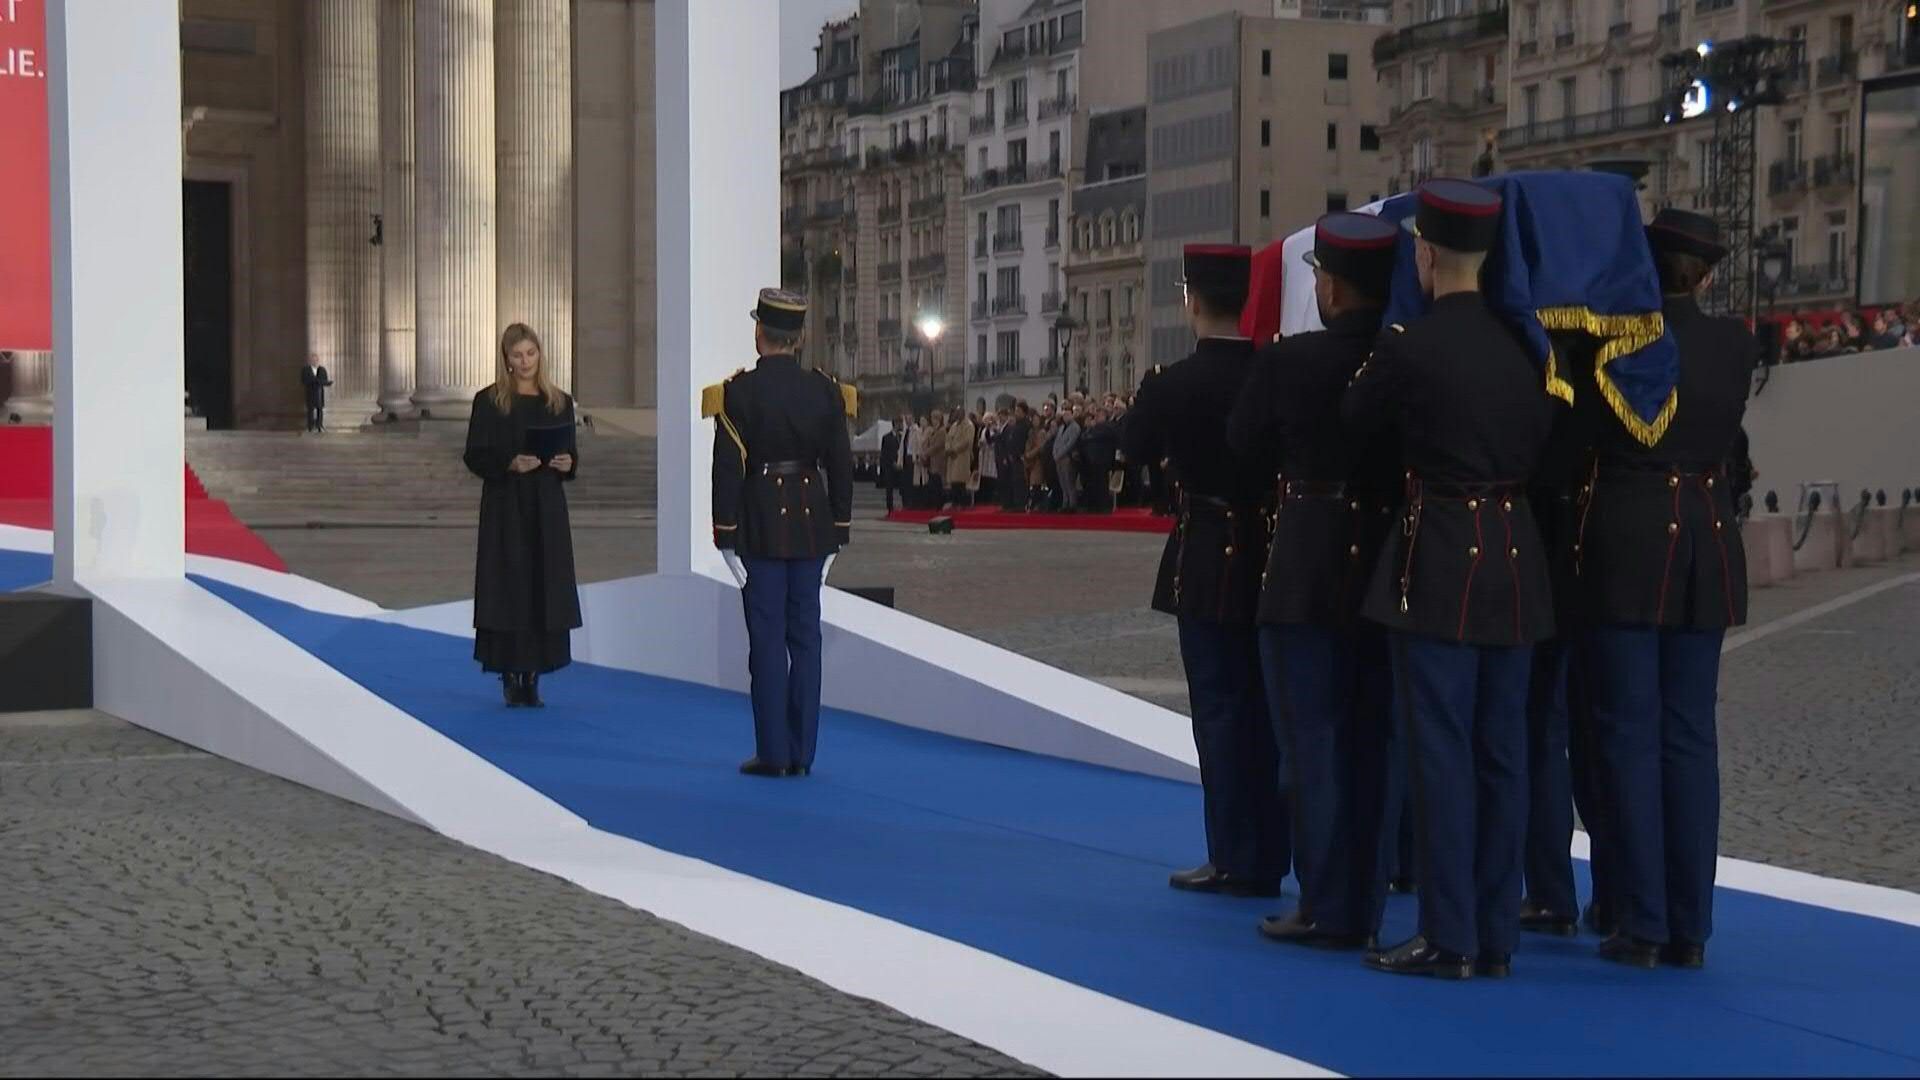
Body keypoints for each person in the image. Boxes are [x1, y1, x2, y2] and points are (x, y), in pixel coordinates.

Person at [1343, 179, 1556, 980]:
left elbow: (1357, 418)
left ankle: (1449, 933)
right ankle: (1495, 933)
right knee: (1504, 754)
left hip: (1437, 554)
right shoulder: (1525, 348)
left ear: (1425, 254)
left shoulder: (1410, 344)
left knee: (1440, 751)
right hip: (1515, 554)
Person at [1579, 210, 1756, 969]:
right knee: (1690, 740)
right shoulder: (1735, 345)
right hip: (1708, 545)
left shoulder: (1615, 345)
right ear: (1708, 274)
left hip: (1630, 541)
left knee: (1628, 736)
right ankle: (1691, 924)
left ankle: (1642, 920)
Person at [1227, 212, 1401, 950]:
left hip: (1302, 558)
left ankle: (1323, 900)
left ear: (1328, 285)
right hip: (1385, 561)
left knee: (1309, 742)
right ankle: (1366, 899)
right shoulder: (1401, 360)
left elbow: (1241, 445)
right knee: (1373, 740)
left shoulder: (1288, 362)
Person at [1125, 244, 1289, 898]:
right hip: (1272, 549)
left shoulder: (1171, 383)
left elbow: (1133, 447)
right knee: (1267, 710)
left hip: (1205, 548)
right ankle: (1272, 853)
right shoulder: (1271, 372)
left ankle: (1231, 855)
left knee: (1218, 713)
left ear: (1192, 299)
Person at [704, 288, 855, 779]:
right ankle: (803, 753)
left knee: (767, 641)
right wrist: (839, 529)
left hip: (762, 520)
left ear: (758, 333)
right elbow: (841, 466)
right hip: (812, 520)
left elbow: (728, 468)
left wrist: (725, 534)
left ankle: (773, 752)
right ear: (801, 337)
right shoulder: (827, 390)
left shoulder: (738, 392)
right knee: (806, 639)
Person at [463, 324, 581, 708]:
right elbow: (475, 455)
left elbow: (570, 453)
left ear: (540, 355)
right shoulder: (489, 401)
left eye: (531, 353)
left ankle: (535, 674)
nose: (525, 362)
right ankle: (510, 672)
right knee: (509, 584)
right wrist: (509, 462)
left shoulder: (558, 401)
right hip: (506, 506)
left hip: (546, 505)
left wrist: (567, 462)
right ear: (506, 359)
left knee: (542, 584)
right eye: (518, 355)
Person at [997, 403, 1033, 512]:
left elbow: (1024, 441)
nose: (1016, 413)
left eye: (1018, 411)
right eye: (1015, 411)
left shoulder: (1026, 425)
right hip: (1011, 458)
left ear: (1024, 412)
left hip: (1020, 458)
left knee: (1020, 482)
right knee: (1013, 482)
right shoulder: (1015, 425)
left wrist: (1019, 454)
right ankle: (1012, 504)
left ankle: (1020, 505)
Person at [1052, 406, 1082, 513]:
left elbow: (1070, 443)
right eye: (1064, 415)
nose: (1065, 417)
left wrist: (1060, 454)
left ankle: (1072, 504)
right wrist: (1054, 453)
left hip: (1067, 458)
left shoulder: (1075, 427)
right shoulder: (1061, 428)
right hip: (1058, 458)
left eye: (1068, 414)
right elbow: (1056, 442)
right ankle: (1065, 503)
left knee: (1069, 482)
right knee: (1062, 482)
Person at [944, 407, 976, 508]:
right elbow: (948, 438)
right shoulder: (954, 425)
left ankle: (964, 503)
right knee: (953, 481)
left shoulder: (969, 425)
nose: (957, 415)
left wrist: (955, 449)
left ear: (963, 413)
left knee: (961, 481)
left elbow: (967, 441)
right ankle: (955, 501)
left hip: (962, 456)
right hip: (952, 456)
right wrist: (948, 448)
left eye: (959, 413)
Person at [300, 353, 333, 433]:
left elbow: (325, 380)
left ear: (318, 360)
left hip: (319, 393)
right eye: (313, 360)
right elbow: (303, 380)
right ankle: (310, 426)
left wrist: (326, 382)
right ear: (310, 361)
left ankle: (319, 425)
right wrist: (314, 381)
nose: (314, 361)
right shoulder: (306, 369)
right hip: (310, 392)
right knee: (310, 410)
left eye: (316, 360)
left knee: (320, 409)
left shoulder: (322, 369)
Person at [879, 418, 905, 513]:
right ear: (895, 424)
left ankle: (905, 505)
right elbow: (884, 453)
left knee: (903, 487)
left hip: (901, 465)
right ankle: (890, 508)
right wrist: (892, 462)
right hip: (890, 466)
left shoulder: (902, 437)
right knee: (889, 488)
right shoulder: (886, 437)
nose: (901, 426)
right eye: (900, 424)